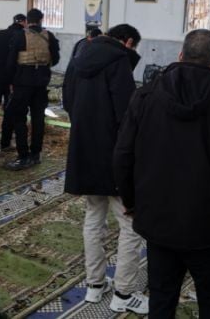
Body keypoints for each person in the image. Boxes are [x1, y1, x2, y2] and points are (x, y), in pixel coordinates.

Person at [113, 29, 210, 317]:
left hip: (158, 220)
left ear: (180, 55)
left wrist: (131, 202)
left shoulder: (145, 95)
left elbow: (122, 156)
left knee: (162, 299)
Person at [63, 24, 148, 314]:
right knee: (130, 225)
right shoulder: (119, 61)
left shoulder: (79, 56)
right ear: (127, 41)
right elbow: (127, 114)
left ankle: (94, 285)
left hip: (84, 151)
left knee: (93, 218)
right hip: (112, 155)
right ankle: (123, 292)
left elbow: (68, 102)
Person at [4, 8, 60, 170]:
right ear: (41, 19)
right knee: (38, 119)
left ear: (27, 21)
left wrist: (11, 81)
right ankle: (36, 154)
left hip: (22, 83)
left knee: (19, 118)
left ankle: (23, 155)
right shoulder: (49, 36)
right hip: (41, 83)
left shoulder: (20, 35)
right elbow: (55, 59)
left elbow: (10, 62)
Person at [0, 13, 27, 149]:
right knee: (10, 111)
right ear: (24, 23)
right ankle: (5, 142)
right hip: (13, 81)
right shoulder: (23, 37)